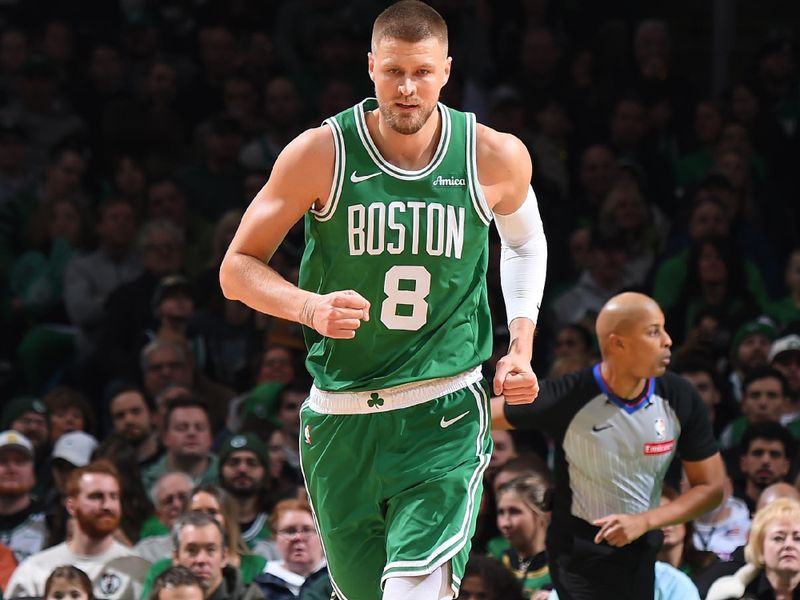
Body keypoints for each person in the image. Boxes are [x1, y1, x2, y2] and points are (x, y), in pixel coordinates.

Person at [219, 2, 546, 598]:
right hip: (339, 419)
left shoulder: (492, 154)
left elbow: (525, 243)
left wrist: (519, 345)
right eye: (393, 71)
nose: (406, 88)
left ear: (447, 69)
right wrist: (307, 307)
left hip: (441, 410)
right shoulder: (321, 152)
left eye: (422, 72)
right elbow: (236, 268)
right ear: (370, 67)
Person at [493, 292, 724, 600]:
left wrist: (645, 521)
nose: (668, 340)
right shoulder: (571, 395)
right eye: (654, 331)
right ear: (618, 343)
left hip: (641, 553)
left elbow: (711, 488)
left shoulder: (679, 397)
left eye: (664, 329)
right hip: (578, 560)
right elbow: (484, 415)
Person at [5, 460, 150, 599]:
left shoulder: (139, 570)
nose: (107, 505)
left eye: (114, 496)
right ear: (71, 506)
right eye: (96, 496)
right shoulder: (34, 570)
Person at [705, 498, 800, 600]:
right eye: (778, 538)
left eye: (798, 538)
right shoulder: (731, 593)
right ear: (760, 548)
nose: (789, 545)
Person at [170, 511, 264, 600]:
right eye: (192, 550)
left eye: (210, 550)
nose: (201, 560)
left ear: (224, 557)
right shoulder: (163, 596)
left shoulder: (250, 597)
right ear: (176, 557)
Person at [253, 498, 327, 600]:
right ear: (275, 538)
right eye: (290, 531)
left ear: (321, 534)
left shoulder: (338, 581)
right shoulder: (261, 587)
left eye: (307, 530)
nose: (298, 537)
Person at [495, 474, 552, 597]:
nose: (505, 523)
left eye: (514, 512)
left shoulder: (563, 567)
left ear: (543, 514)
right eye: (501, 512)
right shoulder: (498, 560)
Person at [0, 430, 47, 562]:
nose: (12, 468)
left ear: (33, 472)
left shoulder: (53, 522)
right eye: (3, 462)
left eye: (20, 462)